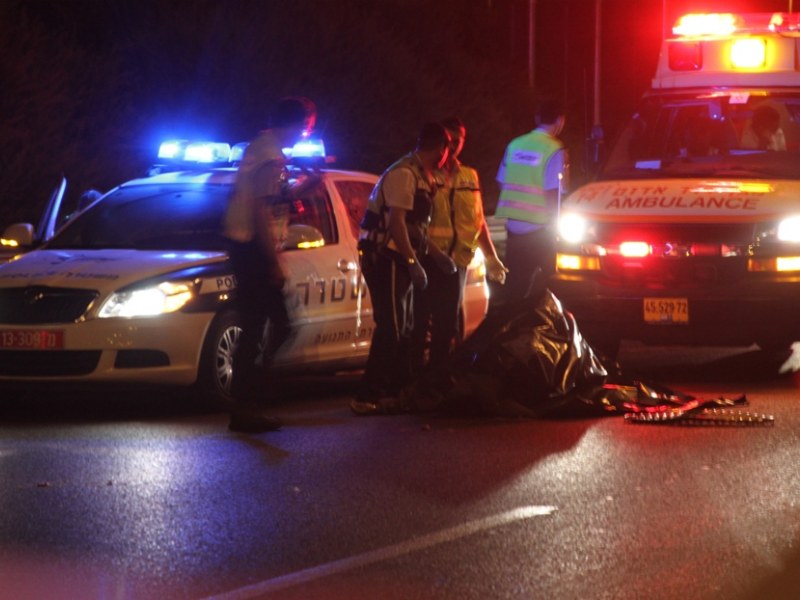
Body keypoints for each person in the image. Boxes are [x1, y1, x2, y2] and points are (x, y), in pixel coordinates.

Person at [223, 96, 317, 433]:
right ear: (293, 124)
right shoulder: (270, 157)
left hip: (244, 245)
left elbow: (266, 200)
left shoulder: (258, 149)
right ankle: (248, 402)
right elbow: (260, 213)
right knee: (271, 324)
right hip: (254, 249)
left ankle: (249, 400)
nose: (304, 135)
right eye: (305, 128)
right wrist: (273, 262)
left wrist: (300, 190)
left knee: (266, 324)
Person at [350, 122, 451, 415]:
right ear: (441, 149)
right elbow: (396, 224)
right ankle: (366, 396)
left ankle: (395, 393)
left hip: (399, 257)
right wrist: (412, 261)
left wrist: (436, 255)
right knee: (392, 328)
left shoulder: (420, 175)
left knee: (404, 329)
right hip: (385, 257)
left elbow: (414, 227)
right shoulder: (404, 174)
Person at [410, 117, 507, 392]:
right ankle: (414, 379)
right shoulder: (424, 173)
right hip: (428, 258)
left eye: (458, 141)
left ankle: (438, 379)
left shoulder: (469, 176)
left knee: (448, 324)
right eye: (448, 140)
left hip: (458, 262)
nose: (452, 146)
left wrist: (491, 257)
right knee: (419, 322)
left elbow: (478, 220)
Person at [494, 98, 568, 304]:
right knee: (544, 289)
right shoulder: (555, 148)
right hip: (540, 230)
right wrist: (555, 228)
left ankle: (513, 320)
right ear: (560, 121)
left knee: (515, 288)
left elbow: (501, 181)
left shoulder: (515, 144)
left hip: (513, 227)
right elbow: (553, 192)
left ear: (537, 118)